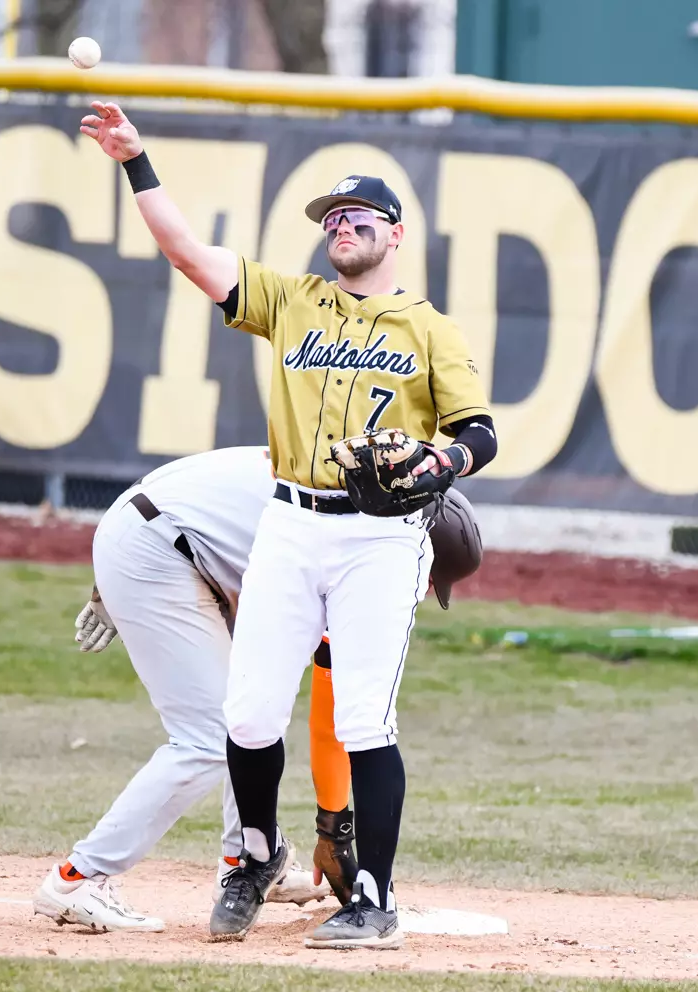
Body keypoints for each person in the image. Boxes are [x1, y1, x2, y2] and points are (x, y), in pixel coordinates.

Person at [82, 101, 498, 948]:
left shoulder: (429, 328)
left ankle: (373, 901)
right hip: (291, 520)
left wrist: (438, 465)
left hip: (380, 535)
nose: (341, 228)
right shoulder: (293, 301)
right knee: (247, 712)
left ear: (395, 232)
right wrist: (135, 160)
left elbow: (478, 433)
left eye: (357, 217)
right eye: (331, 220)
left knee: (363, 722)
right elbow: (189, 256)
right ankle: (253, 860)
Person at [32, 446, 482, 932]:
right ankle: (79, 878)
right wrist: (333, 829)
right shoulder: (360, 531)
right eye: (430, 575)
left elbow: (206, 493)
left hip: (164, 537)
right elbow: (333, 702)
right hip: (160, 552)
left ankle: (244, 863)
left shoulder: (343, 481)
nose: (420, 581)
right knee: (209, 736)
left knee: (245, 716)